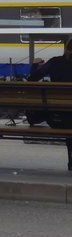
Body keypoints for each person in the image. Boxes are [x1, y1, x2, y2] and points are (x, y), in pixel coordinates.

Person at [27, 36, 72, 170]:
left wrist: (35, 65)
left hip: (56, 119)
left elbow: (32, 79)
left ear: (66, 48)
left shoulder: (54, 62)